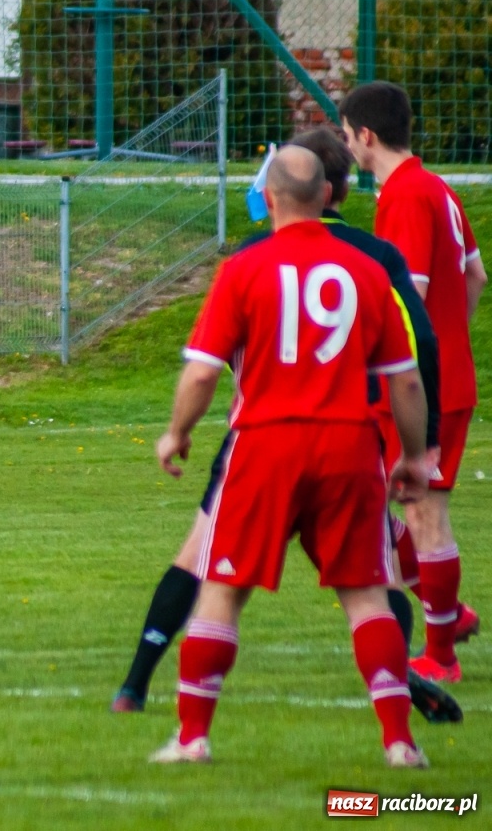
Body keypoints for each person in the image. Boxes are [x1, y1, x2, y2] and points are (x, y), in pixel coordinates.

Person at [112, 126, 459, 723]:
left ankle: (142, 693)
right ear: (333, 189)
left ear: (274, 194)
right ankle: (397, 699)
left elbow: (202, 370)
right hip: (349, 435)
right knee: (373, 584)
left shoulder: (250, 259)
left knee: (206, 566)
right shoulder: (374, 259)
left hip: (264, 438)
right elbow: (417, 345)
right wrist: (418, 445)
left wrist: (177, 431)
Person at [342, 82, 484, 684]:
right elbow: (475, 276)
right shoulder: (439, 189)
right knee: (384, 503)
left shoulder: (403, 196)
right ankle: (451, 615)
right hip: (444, 376)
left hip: (422, 390)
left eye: (347, 137)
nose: (347, 148)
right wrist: (450, 341)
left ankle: (442, 656)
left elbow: (407, 300)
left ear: (365, 136)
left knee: (420, 514)